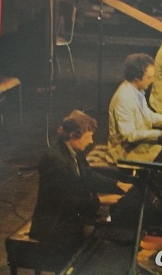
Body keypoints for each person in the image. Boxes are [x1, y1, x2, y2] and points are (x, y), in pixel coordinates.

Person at [29, 110, 132, 261]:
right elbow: (64, 202)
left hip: (67, 216)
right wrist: (101, 200)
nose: (91, 141)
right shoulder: (54, 160)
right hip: (53, 226)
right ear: (73, 135)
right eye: (88, 137)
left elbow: (88, 175)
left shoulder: (73, 150)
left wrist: (117, 184)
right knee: (101, 249)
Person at [108, 53, 162, 163]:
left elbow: (149, 116)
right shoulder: (124, 98)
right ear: (136, 78)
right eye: (149, 77)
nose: (152, 80)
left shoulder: (136, 91)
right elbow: (129, 135)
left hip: (139, 147)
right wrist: (160, 133)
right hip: (124, 152)